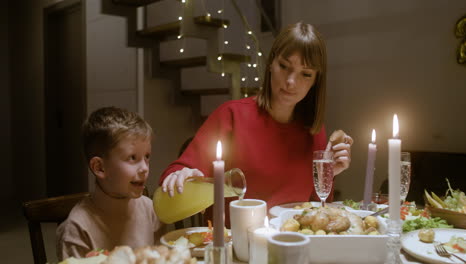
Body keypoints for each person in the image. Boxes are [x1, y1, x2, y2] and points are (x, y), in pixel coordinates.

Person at [159, 22, 353, 214]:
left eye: (306, 74)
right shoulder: (231, 116)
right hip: (233, 241)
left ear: (315, 82)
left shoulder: (314, 130)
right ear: (270, 64)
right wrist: (182, 175)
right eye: (284, 66)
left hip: (292, 241)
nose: (291, 81)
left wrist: (329, 175)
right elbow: (175, 174)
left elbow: (316, 209)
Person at [56, 106, 163, 260]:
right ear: (99, 167)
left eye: (147, 156)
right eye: (132, 158)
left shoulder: (150, 210)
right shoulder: (77, 229)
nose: (144, 168)